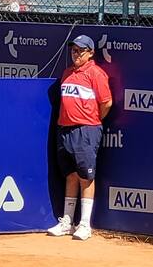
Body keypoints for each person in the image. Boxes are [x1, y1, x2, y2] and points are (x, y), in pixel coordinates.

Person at [47, 35, 112, 241]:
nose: (76, 54)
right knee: (71, 175)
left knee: (86, 177)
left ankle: (85, 224)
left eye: (80, 51)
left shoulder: (96, 74)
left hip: (86, 131)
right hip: (65, 130)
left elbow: (106, 103)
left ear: (91, 53)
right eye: (74, 50)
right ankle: (67, 221)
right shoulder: (67, 74)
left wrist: (91, 121)